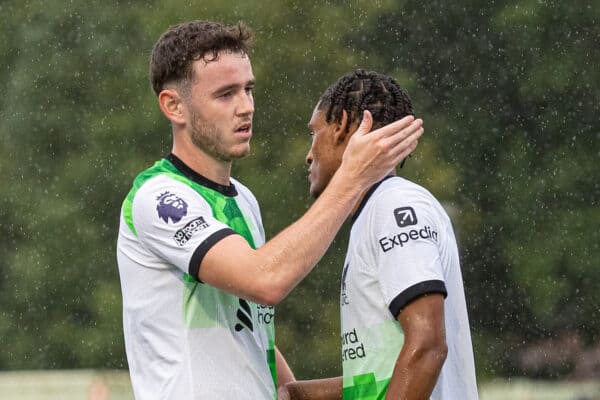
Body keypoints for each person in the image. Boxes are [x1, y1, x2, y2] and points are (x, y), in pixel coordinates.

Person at [116, 21, 423, 400]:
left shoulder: (243, 199)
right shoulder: (158, 197)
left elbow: (247, 331)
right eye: (226, 94)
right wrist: (353, 176)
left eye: (248, 89)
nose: (246, 107)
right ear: (173, 106)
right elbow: (266, 281)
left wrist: (366, 386)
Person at [280, 70, 478, 400]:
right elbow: (383, 378)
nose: (309, 153)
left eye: (314, 133)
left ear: (341, 126)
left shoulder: (395, 205)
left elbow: (428, 346)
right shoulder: (371, 213)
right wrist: (296, 394)